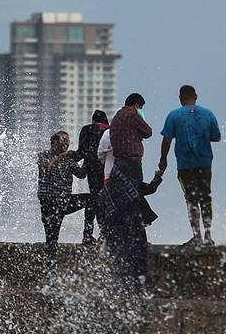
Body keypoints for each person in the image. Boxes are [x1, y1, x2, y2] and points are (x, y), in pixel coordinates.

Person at [159, 85, 221, 246]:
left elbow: (166, 139)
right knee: (205, 197)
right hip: (205, 162)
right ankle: (208, 236)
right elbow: (216, 137)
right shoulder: (208, 114)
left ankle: (197, 236)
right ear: (196, 96)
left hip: (185, 165)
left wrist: (163, 160)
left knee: (191, 199)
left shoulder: (174, 115)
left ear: (180, 97)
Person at [99, 166, 163, 287]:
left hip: (116, 231)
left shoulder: (104, 192)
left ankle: (123, 285)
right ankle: (141, 283)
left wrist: (102, 235)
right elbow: (151, 188)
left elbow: (103, 217)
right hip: (135, 225)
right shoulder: (132, 184)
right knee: (139, 255)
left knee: (121, 258)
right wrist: (158, 176)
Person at [37, 131, 93, 260]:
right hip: (49, 203)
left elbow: (81, 174)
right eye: (64, 141)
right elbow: (48, 167)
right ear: (54, 142)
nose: (66, 144)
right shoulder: (43, 156)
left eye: (67, 142)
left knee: (91, 199)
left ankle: (88, 234)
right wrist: (64, 156)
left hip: (64, 202)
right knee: (51, 238)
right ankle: (50, 268)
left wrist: (87, 157)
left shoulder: (68, 159)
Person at [77, 110, 109, 245]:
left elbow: (81, 151)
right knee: (105, 202)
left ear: (93, 121)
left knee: (93, 199)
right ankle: (105, 233)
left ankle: (87, 234)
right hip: (106, 171)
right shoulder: (109, 131)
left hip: (91, 170)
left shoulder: (86, 129)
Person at [110, 93, 152, 187]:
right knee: (135, 191)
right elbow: (148, 132)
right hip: (131, 161)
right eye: (140, 108)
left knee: (123, 191)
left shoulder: (117, 116)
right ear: (136, 105)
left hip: (119, 160)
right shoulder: (131, 114)